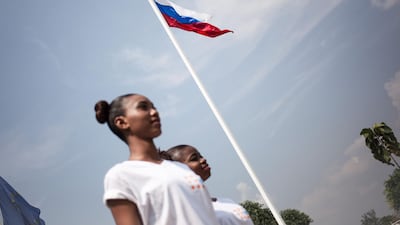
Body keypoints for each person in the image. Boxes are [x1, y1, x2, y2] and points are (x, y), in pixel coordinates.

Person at [94, 93, 219, 225]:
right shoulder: (121, 175)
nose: (154, 112)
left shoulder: (180, 168)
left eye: (154, 107)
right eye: (143, 107)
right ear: (122, 122)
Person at [162, 144, 255, 225]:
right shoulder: (191, 213)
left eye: (201, 156)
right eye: (194, 159)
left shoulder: (225, 201)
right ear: (179, 169)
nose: (203, 160)